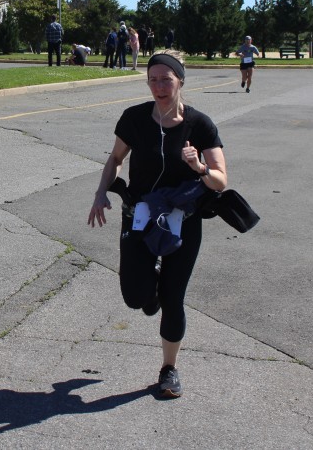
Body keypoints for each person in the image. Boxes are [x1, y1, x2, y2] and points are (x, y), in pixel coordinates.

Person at [88, 49, 227, 399]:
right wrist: (101, 192)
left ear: (180, 81)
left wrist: (199, 167)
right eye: (153, 80)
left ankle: (169, 369)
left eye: (166, 79)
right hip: (140, 215)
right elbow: (116, 158)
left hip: (183, 221)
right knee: (136, 297)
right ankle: (151, 294)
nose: (159, 87)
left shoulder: (200, 125)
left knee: (173, 298)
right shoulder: (134, 118)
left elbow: (220, 180)